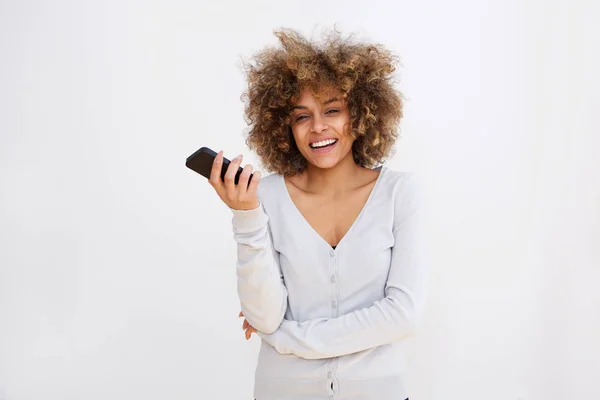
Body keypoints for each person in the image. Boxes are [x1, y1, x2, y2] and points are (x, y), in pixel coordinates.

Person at [208, 28, 428, 400]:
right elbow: (264, 317)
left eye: (332, 110)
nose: (318, 127)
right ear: (284, 126)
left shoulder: (399, 194)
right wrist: (245, 217)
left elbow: (403, 313)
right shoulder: (265, 196)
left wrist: (288, 338)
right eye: (301, 116)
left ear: (359, 114)